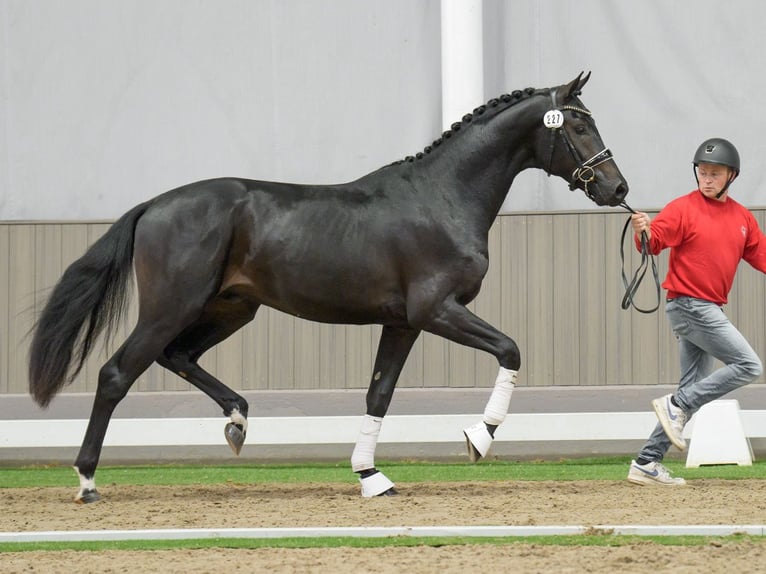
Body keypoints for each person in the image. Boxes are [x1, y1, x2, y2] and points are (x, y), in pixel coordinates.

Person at [626, 137, 766, 486]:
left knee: (692, 388)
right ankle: (677, 404)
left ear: (731, 175)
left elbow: (762, 256)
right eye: (702, 172)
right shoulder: (682, 208)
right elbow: (654, 241)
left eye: (714, 173)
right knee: (749, 365)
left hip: (706, 308)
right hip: (690, 305)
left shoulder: (742, 218)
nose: (706, 178)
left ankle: (647, 462)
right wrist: (642, 231)